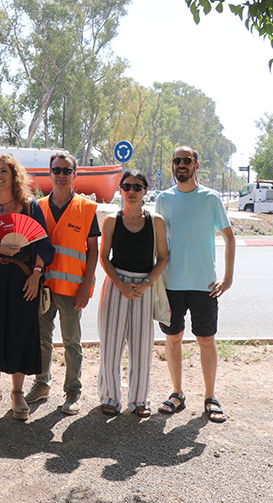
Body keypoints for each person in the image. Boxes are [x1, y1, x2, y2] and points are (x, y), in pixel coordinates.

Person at [0, 154, 54, 421]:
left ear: (15, 176)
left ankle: (17, 392)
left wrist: (37, 275)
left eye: (4, 170)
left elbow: (43, 245)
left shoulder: (30, 207)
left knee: (20, 333)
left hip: (22, 279)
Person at [155, 146, 236, 423]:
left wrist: (228, 277)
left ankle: (210, 397)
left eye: (186, 161)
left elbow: (229, 237)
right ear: (172, 165)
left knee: (206, 340)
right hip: (171, 284)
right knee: (173, 338)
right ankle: (177, 394)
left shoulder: (210, 198)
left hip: (204, 285)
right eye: (176, 161)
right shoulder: (163, 199)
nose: (181, 165)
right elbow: (158, 241)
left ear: (196, 164)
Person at [26, 152, 100, 415]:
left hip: (72, 289)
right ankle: (42, 384)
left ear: (74, 175)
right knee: (42, 338)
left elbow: (93, 250)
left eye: (66, 171)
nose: (61, 174)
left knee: (71, 341)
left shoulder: (87, 208)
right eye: (56, 170)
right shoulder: (38, 207)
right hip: (43, 287)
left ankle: (73, 392)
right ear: (49, 173)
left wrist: (86, 286)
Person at [97, 170, 168, 417]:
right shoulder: (111, 221)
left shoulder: (156, 221)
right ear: (120, 190)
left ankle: (139, 400)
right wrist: (120, 284)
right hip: (116, 285)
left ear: (146, 191)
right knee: (111, 344)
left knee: (141, 346)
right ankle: (109, 397)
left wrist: (147, 284)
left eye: (137, 187)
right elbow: (104, 257)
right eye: (127, 186)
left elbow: (163, 257)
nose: (131, 192)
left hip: (143, 286)